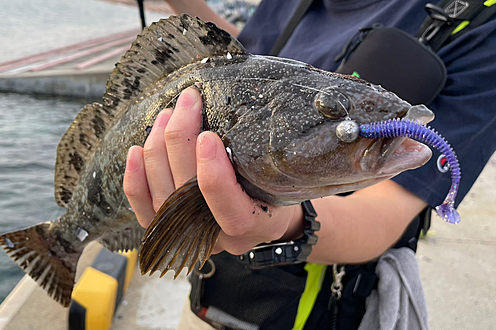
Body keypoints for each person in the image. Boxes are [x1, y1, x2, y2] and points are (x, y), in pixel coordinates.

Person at [123, 0, 496, 329]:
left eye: (331, 112)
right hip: (210, 298)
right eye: (329, 109)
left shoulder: (479, 25)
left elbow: (383, 217)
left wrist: (284, 223)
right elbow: (249, 57)